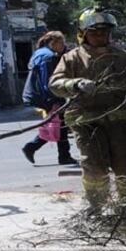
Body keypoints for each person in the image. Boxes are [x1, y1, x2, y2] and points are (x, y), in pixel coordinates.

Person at [50, 7, 126, 207]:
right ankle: (97, 205)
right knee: (94, 166)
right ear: (83, 34)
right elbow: (55, 83)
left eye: (103, 32)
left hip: (119, 121)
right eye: (94, 32)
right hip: (86, 121)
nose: (99, 36)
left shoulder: (121, 56)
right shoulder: (72, 58)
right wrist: (75, 83)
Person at [21, 31, 77, 166]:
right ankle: (36, 148)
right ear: (54, 43)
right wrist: (54, 100)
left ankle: (36, 148)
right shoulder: (48, 57)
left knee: (56, 124)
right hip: (47, 96)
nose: (63, 45)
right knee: (60, 125)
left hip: (37, 95)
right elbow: (48, 82)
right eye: (62, 43)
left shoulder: (39, 53)